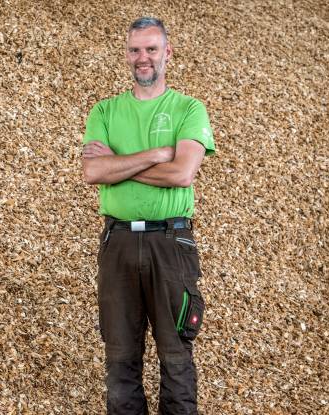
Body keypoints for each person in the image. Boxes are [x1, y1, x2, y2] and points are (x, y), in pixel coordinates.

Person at [81, 17, 216, 415]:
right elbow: (93, 172)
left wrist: (120, 163)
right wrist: (158, 154)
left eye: (152, 49)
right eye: (136, 50)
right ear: (126, 55)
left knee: (176, 356)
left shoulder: (189, 109)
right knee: (120, 356)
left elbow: (182, 173)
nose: (143, 58)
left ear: (167, 53)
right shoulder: (104, 111)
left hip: (171, 243)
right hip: (118, 242)